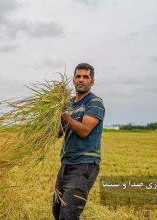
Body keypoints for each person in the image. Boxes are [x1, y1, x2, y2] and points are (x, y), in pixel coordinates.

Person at [52, 63, 105, 219]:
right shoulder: (68, 104)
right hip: (67, 163)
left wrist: (62, 114)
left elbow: (84, 130)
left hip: (84, 165)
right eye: (78, 76)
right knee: (57, 211)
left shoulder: (94, 102)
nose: (81, 80)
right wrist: (50, 116)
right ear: (73, 80)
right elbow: (58, 132)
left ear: (92, 81)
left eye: (85, 77)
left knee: (68, 214)